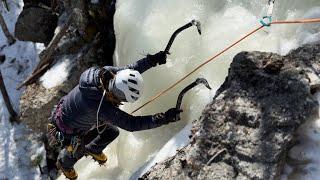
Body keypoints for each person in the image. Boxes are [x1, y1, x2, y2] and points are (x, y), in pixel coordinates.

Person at [47, 51, 183, 180]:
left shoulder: (102, 74)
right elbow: (132, 124)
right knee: (77, 149)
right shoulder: (102, 107)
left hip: (65, 111)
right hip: (64, 130)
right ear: (118, 95)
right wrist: (164, 118)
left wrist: (152, 60)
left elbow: (130, 69)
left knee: (111, 131)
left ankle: (94, 148)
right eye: (122, 100)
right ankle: (64, 163)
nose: (121, 102)